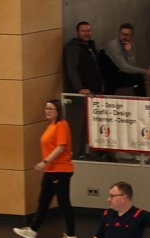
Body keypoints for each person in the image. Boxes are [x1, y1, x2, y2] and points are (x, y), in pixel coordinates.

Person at [13, 100, 78, 238]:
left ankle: (72, 236)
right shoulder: (51, 126)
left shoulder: (61, 125)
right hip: (51, 171)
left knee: (64, 203)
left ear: (58, 111)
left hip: (60, 170)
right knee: (43, 201)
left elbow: (61, 147)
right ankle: (32, 230)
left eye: (51, 108)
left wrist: (45, 161)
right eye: (46, 108)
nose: (47, 111)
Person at [63, 21, 103, 161]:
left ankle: (93, 152)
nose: (87, 33)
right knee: (81, 124)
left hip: (95, 90)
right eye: (84, 31)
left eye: (88, 31)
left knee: (93, 123)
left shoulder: (91, 46)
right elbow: (72, 69)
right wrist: (79, 88)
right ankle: (79, 153)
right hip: (81, 93)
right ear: (77, 32)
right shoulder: (73, 48)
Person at [102, 23, 150, 96]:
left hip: (119, 73)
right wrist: (145, 71)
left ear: (131, 36)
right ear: (119, 33)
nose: (124, 37)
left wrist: (129, 53)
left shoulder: (131, 45)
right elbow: (124, 67)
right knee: (138, 78)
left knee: (138, 78)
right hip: (109, 75)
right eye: (122, 34)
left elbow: (132, 66)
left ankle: (141, 101)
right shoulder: (113, 45)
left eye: (127, 35)